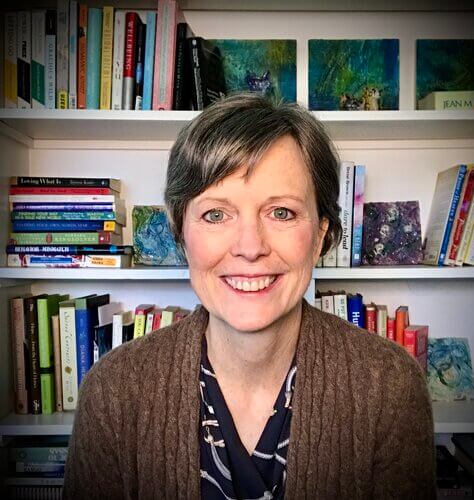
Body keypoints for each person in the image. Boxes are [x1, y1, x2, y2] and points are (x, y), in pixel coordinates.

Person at [63, 93, 436, 499]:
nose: (250, 247)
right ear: (181, 234)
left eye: (281, 212)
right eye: (215, 214)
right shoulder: (113, 391)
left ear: (320, 236)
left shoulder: (390, 387)